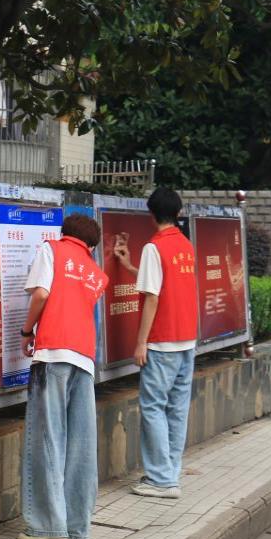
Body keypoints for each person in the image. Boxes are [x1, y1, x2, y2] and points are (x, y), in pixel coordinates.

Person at [17, 213, 108, 539]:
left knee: (47, 438)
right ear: (91, 246)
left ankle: (46, 529)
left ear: (63, 233)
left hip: (53, 352)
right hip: (84, 357)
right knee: (80, 443)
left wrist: (26, 331)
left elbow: (41, 294)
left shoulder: (51, 250)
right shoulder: (96, 273)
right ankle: (75, 526)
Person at [113, 188, 199, 500]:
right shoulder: (185, 245)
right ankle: (169, 473)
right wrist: (129, 268)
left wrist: (141, 343)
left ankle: (161, 480)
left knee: (153, 407)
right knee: (177, 409)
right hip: (186, 340)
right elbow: (163, 282)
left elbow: (152, 296)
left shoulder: (154, 247)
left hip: (162, 342)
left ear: (151, 214)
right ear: (178, 213)